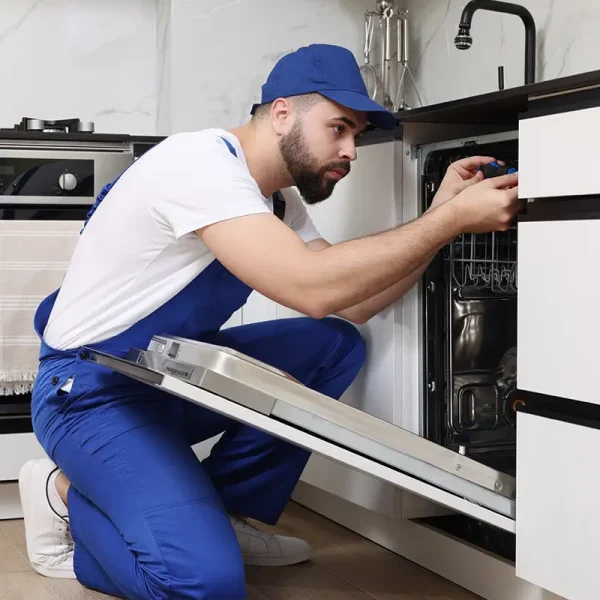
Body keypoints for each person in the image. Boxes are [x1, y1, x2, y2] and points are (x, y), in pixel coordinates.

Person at [18, 43, 520, 600]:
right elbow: (313, 286)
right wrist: (449, 220)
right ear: (282, 113)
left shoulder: (276, 200)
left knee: (333, 344)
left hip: (165, 377)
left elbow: (353, 303)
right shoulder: (199, 164)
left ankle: (225, 512)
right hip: (92, 392)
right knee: (204, 584)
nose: (351, 151)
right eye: (339, 128)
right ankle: (63, 494)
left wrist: (441, 217)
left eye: (356, 135)